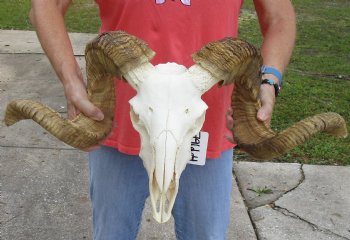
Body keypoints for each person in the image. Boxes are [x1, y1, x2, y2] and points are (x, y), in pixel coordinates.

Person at [29, 0, 296, 239]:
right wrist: (70, 79)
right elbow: (46, 5)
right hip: (122, 122)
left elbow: (279, 17)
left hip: (204, 127)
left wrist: (269, 81)